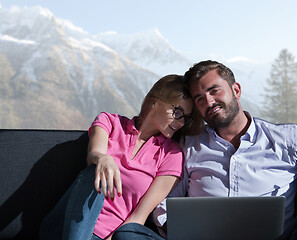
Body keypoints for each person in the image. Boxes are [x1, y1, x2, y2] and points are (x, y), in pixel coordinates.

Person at [151, 60, 297, 240]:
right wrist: (178, 228)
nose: (209, 102)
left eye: (214, 91)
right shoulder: (188, 146)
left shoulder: (287, 138)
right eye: (199, 99)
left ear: (236, 90)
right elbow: (164, 202)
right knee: (130, 234)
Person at [39, 74, 203, 240]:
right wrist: (102, 158)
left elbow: (138, 219)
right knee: (94, 172)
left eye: (186, 118)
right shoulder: (110, 122)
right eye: (177, 112)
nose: (181, 122)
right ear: (156, 101)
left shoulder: (172, 155)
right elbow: (93, 154)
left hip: (107, 237)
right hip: (64, 228)